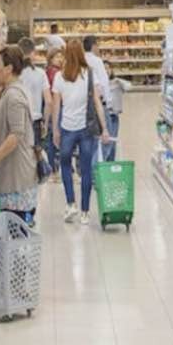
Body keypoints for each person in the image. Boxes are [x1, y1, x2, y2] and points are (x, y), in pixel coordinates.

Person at [50, 40, 110, 224]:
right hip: (86, 129)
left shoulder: (60, 77)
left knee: (65, 165)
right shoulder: (90, 75)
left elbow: (56, 107)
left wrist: (55, 130)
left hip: (67, 128)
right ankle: (85, 212)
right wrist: (105, 128)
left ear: (66, 54)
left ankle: (71, 204)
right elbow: (98, 103)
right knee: (85, 170)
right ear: (82, 55)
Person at [0, 45, 40, 225]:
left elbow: (16, 134)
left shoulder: (14, 96)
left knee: (13, 238)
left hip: (15, 181)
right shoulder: (9, 91)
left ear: (8, 69)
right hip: (9, 176)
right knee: (8, 238)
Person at [16, 38, 51, 154]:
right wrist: (45, 123)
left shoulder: (15, 74)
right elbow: (49, 101)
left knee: (20, 158)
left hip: (17, 121)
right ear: (33, 53)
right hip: (35, 121)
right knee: (35, 157)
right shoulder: (40, 73)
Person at [82, 35, 111, 170]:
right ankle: (97, 170)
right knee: (105, 137)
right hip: (98, 104)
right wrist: (108, 102)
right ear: (94, 46)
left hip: (83, 106)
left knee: (89, 139)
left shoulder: (80, 60)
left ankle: (85, 168)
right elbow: (104, 83)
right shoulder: (97, 61)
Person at [102, 61, 130, 162]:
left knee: (113, 142)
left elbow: (129, 87)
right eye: (104, 68)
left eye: (108, 68)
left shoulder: (116, 83)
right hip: (103, 116)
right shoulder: (98, 84)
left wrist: (119, 81)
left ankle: (110, 163)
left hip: (113, 116)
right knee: (105, 142)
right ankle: (103, 163)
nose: (106, 71)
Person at [44, 49, 64, 173]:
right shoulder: (54, 73)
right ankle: (55, 167)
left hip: (52, 108)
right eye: (57, 57)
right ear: (51, 59)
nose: (60, 59)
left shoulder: (49, 72)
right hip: (55, 108)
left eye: (61, 57)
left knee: (51, 139)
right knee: (55, 138)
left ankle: (54, 167)